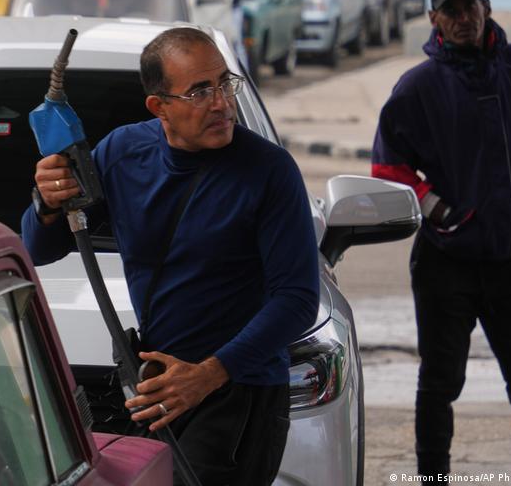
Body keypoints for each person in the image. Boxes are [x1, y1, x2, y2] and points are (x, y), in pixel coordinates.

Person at [22, 27, 319, 485]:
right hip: (155, 387)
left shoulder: (269, 171)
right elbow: (41, 249)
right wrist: (46, 201)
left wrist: (209, 375)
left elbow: (297, 298)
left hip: (237, 393)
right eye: (200, 91)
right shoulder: (123, 153)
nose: (220, 103)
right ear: (159, 107)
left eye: (224, 84)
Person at [371, 0, 511, 481]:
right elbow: (388, 168)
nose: (464, 19)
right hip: (446, 265)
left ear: (487, 7)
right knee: (439, 383)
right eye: (452, 11)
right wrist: (437, 209)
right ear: (434, 19)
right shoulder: (417, 88)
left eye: (470, 7)